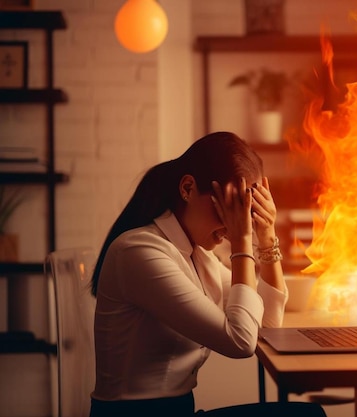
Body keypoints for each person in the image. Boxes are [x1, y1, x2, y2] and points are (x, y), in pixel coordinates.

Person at [88, 131, 287, 417]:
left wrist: (267, 238)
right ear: (188, 188)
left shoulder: (196, 254)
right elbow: (241, 341)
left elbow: (266, 327)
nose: (233, 225)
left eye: (244, 211)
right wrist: (242, 239)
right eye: (228, 208)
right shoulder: (139, 252)